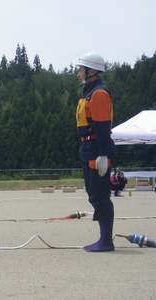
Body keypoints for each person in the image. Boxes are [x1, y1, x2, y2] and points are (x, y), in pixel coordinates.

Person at [76, 52, 117, 252]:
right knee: (94, 193)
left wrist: (103, 154)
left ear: (91, 71)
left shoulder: (99, 93)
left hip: (96, 148)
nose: (78, 73)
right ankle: (104, 239)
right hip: (89, 147)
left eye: (81, 69)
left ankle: (106, 241)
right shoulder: (89, 92)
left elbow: (102, 126)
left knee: (100, 195)